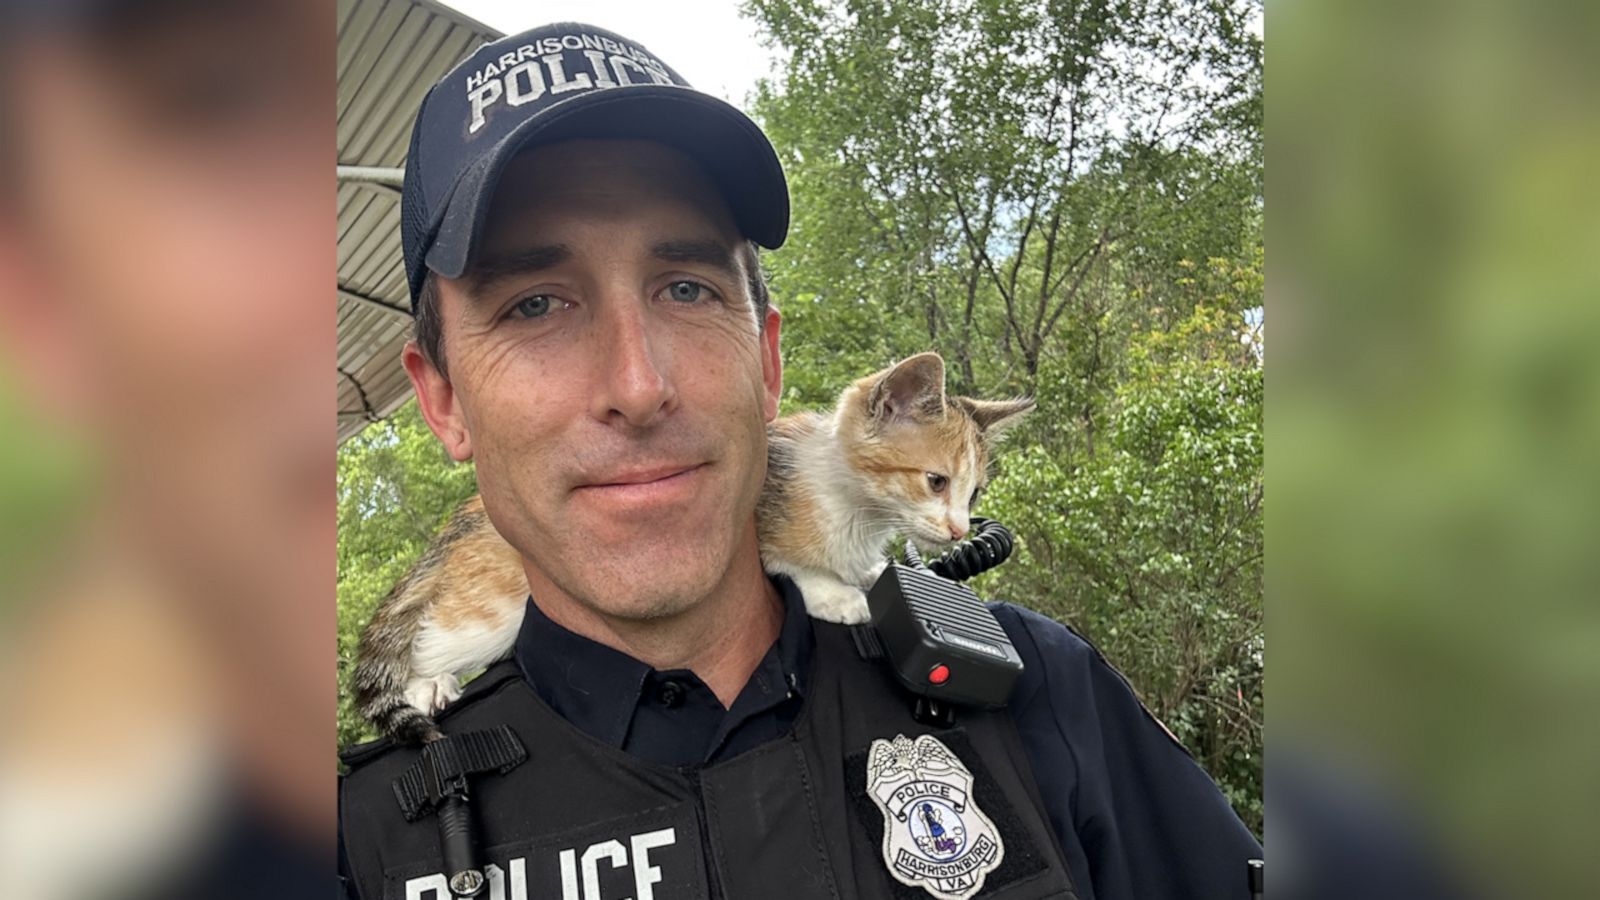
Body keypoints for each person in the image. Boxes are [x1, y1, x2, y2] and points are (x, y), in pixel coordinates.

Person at [337, 21, 1262, 900]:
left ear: (771, 363)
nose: (638, 382)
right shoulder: (360, 835)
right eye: (534, 305)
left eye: (688, 287)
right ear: (444, 400)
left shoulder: (1038, 696)